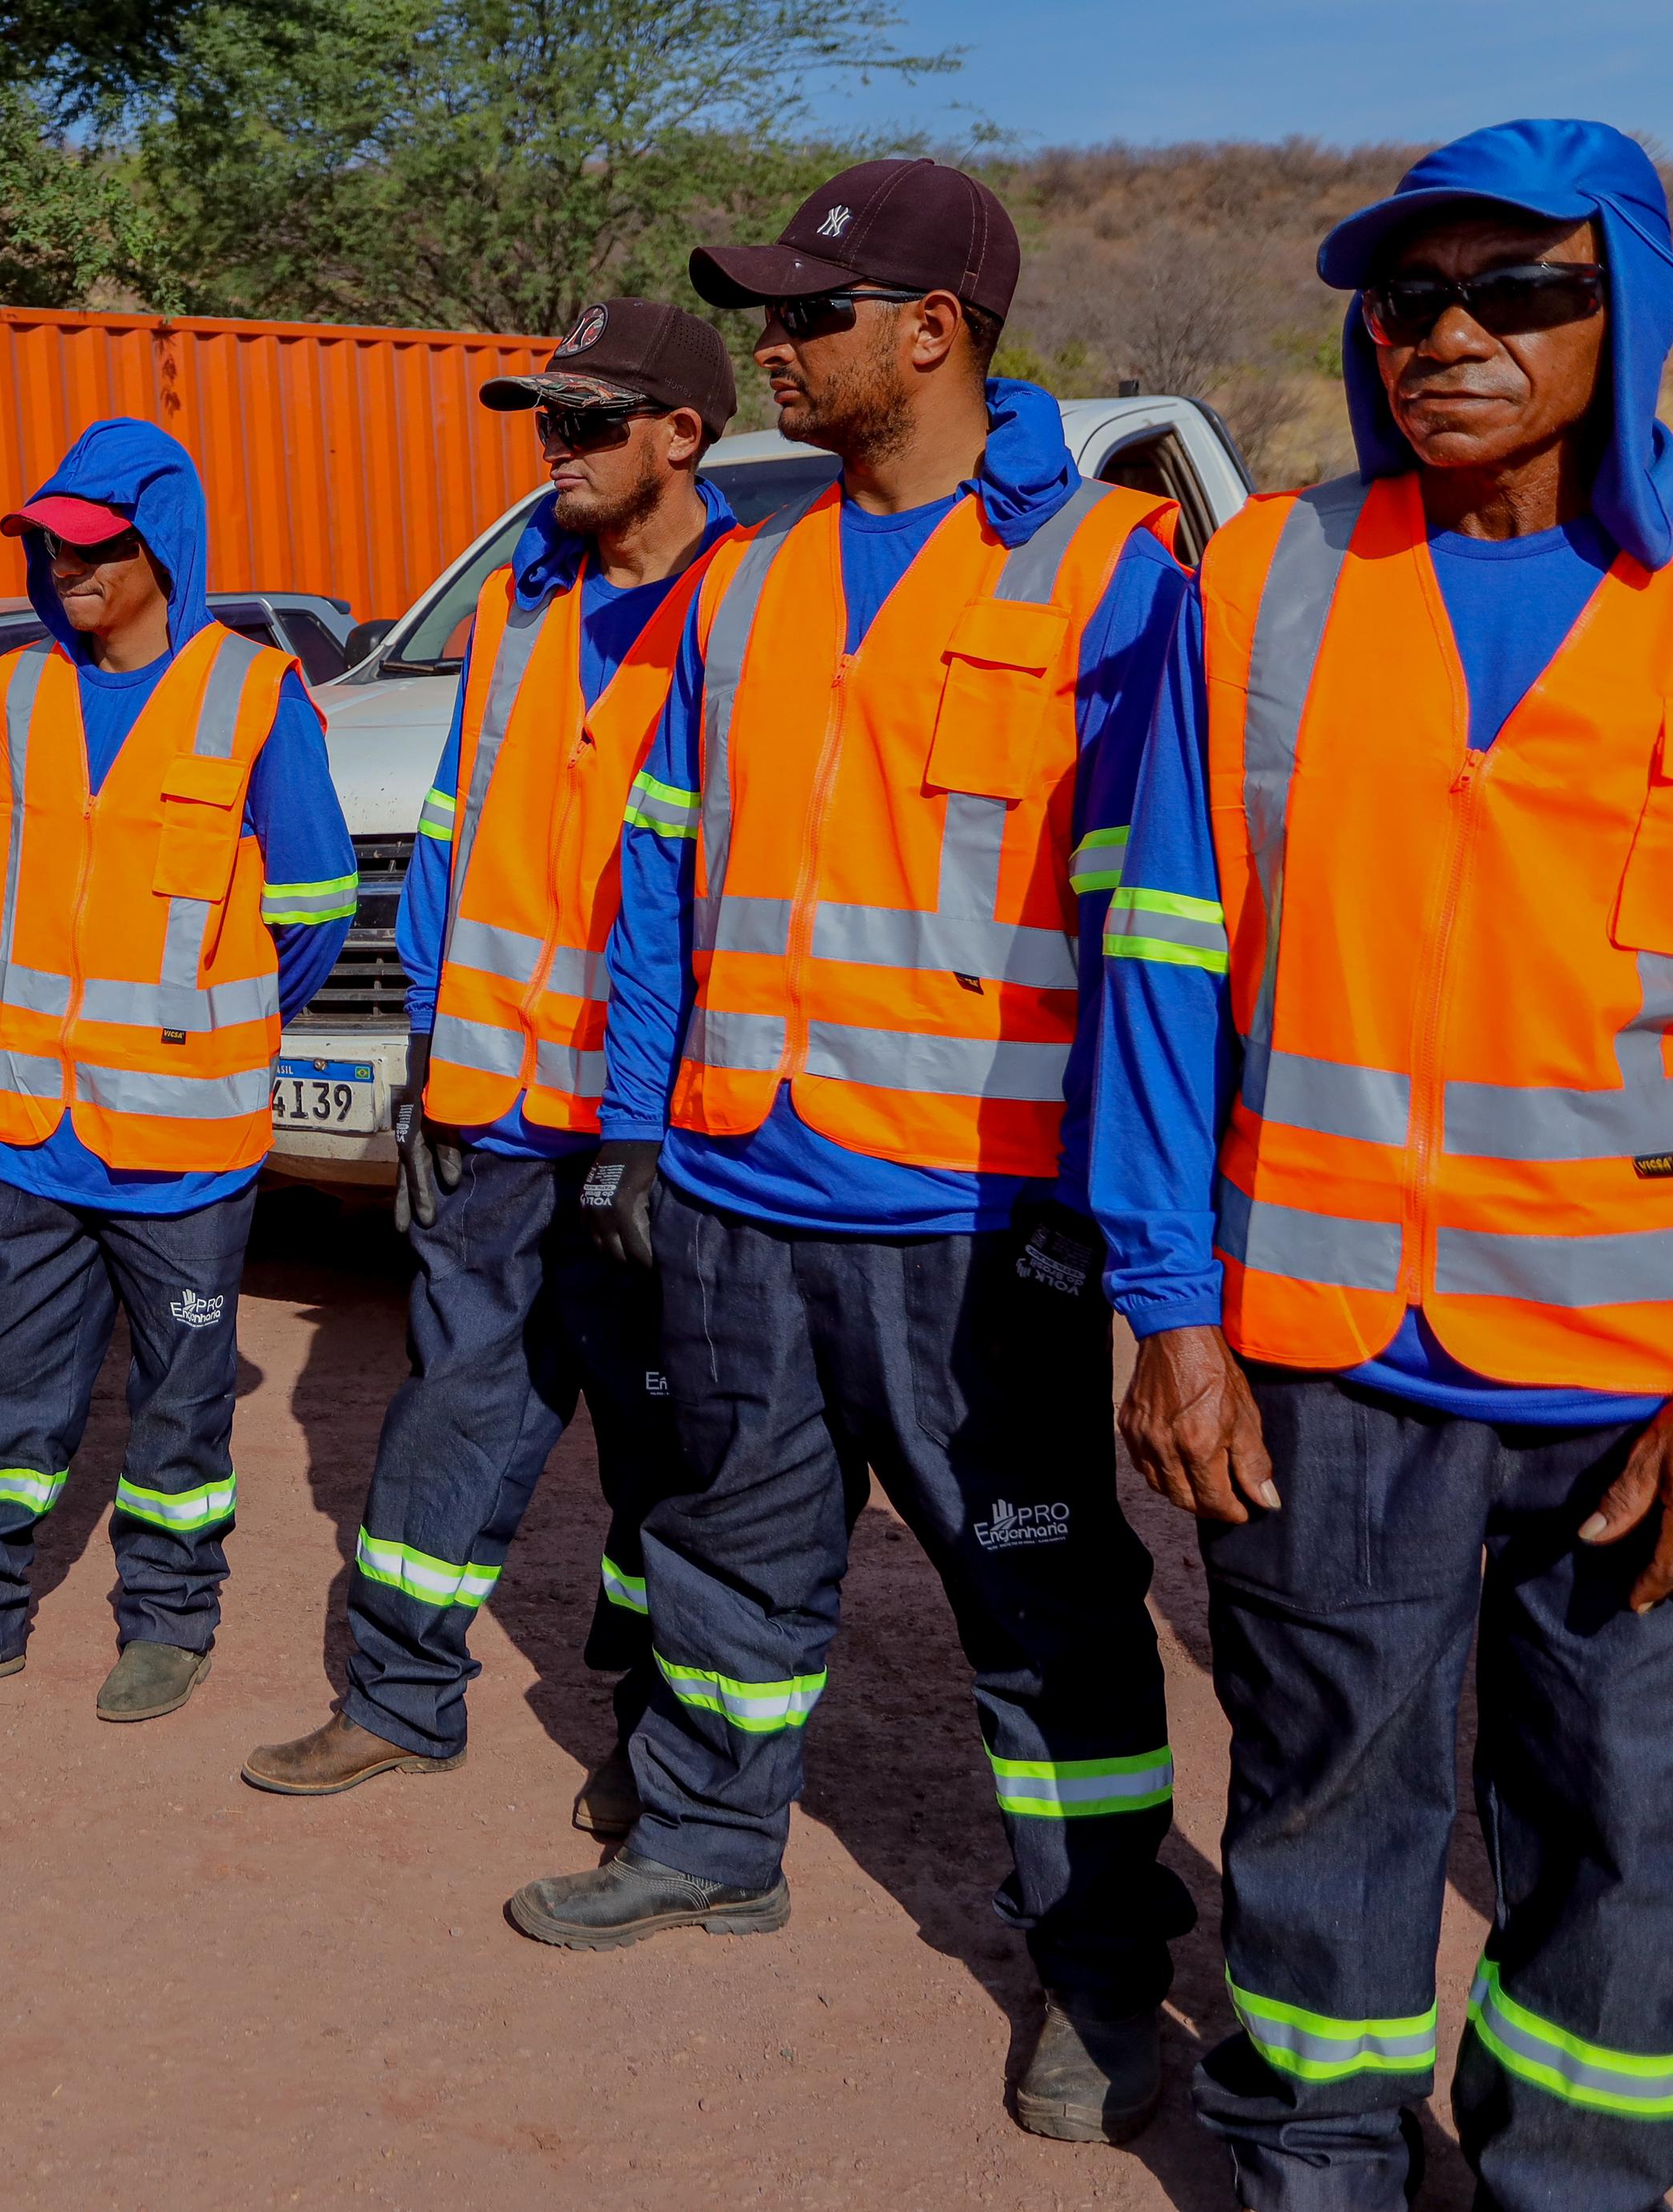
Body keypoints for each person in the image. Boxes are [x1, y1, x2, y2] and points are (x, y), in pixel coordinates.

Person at [564, 161, 1199, 2145]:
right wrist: (638, 1125)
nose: (773, 342)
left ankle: (1097, 1976)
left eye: (808, 314)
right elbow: (660, 869)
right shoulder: (740, 579)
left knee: (1042, 1608)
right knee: (724, 1549)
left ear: (929, 333)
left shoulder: (1114, 575)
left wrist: (1124, 1222)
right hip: (746, 1180)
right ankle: (705, 1838)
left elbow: (1155, 934)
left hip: (975, 1210)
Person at [1099, 118, 1673, 2212]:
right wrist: (1168, 1307)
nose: (1450, 332)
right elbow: (1162, 957)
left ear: (1631, 309)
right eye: (1409, 297)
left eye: (1519, 289)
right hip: (1328, 1357)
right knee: (1328, 1813)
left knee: (1627, 1832)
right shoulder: (1271, 583)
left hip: (1627, 1379)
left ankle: (1575, 2184)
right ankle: (1313, 2167)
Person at [240, 301, 738, 1814]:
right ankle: (399, 1697)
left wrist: (650, 1130)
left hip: (655, 1129)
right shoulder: (521, 599)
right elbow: (455, 841)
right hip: (493, 1107)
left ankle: (661, 1745)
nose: (557, 451)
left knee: (675, 1450)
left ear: (681, 435)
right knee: (452, 1409)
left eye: (589, 423)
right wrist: (422, 1071)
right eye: (547, 420)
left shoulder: (751, 613)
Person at [0, 417, 357, 1723]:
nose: (66, 569)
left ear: (160, 548)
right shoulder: (15, 691)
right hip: (34, 1127)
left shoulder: (253, 690)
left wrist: (204, 1025)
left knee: (180, 1411)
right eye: (49, 546)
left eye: (94, 547)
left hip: (183, 1140)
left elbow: (315, 900)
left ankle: (170, 1620)